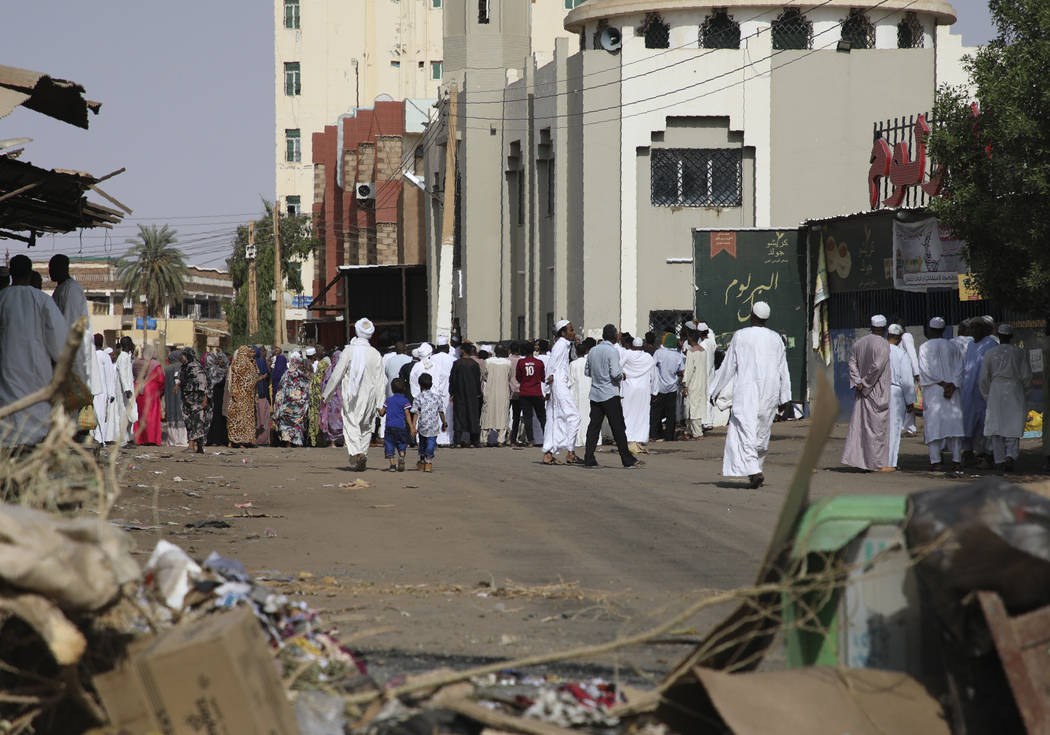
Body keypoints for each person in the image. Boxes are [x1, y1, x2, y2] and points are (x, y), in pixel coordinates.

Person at [707, 302, 791, 489]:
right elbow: (783, 369)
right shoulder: (776, 338)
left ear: (751, 315)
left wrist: (713, 390)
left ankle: (754, 470)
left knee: (745, 430)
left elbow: (728, 366)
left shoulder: (741, 336)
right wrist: (785, 396)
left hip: (748, 391)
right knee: (761, 432)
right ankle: (755, 471)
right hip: (770, 391)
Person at [0, 255, 68, 447]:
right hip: (36, 374)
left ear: (11, 272)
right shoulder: (42, 301)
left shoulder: (2, 299)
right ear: (30, 274)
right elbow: (60, 343)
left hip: (6, 375)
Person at [323, 317, 385, 472]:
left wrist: (327, 393)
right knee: (365, 427)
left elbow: (337, 373)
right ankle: (361, 455)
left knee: (352, 425)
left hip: (352, 396)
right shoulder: (375, 354)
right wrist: (380, 403)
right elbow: (381, 381)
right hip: (370, 397)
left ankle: (357, 453)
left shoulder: (349, 351)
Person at [583, 324, 640, 468]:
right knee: (618, 427)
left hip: (595, 394)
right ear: (614, 336)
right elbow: (615, 373)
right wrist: (623, 376)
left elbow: (587, 372)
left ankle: (589, 457)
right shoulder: (612, 351)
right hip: (609, 393)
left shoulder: (593, 351)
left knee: (594, 427)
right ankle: (627, 459)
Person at [841, 315, 892, 472]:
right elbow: (877, 366)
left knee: (862, 427)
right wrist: (865, 383)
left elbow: (851, 362)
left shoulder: (859, 342)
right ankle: (875, 464)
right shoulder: (883, 344)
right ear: (884, 329)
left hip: (863, 390)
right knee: (876, 429)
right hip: (876, 391)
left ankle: (863, 461)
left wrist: (858, 382)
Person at [980, 324, 1032, 472]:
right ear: (1011, 337)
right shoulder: (1019, 353)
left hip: (995, 391)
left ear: (999, 336)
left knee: (996, 427)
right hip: (1015, 390)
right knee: (1012, 426)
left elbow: (983, 378)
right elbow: (1027, 377)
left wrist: (987, 396)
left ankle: (999, 459)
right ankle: (1010, 456)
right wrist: (1024, 394)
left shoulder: (990, 353)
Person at [49, 254, 99, 403]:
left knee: (76, 405)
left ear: (64, 268)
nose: (50, 272)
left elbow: (70, 323)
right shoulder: (60, 289)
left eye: (53, 268)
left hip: (75, 353)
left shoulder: (71, 289)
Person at [918, 316, 965, 473]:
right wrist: (952, 385)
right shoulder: (953, 347)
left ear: (930, 330)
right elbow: (961, 367)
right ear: (944, 330)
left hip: (934, 390)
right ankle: (956, 460)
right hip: (952, 390)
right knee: (954, 426)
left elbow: (925, 370)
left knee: (934, 426)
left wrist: (943, 384)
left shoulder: (924, 347)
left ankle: (936, 461)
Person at [540, 320, 582, 465]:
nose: (573, 332)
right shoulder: (560, 345)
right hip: (558, 384)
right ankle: (570, 452)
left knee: (554, 419)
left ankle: (549, 453)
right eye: (570, 330)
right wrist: (547, 387)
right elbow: (551, 366)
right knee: (574, 416)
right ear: (563, 333)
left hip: (559, 383)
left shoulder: (564, 344)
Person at [961, 317, 997, 467]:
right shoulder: (970, 345)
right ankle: (968, 453)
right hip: (969, 389)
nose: (973, 331)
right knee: (968, 421)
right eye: (972, 328)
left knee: (986, 422)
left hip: (984, 390)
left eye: (976, 328)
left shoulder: (991, 344)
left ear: (984, 330)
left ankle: (989, 455)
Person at [886, 324, 916, 470]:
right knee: (894, 428)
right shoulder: (901, 354)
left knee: (879, 428)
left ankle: (876, 460)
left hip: (878, 391)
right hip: (895, 392)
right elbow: (907, 380)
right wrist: (911, 401)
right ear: (899, 339)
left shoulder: (879, 351)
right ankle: (890, 463)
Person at [620, 337, 656, 454]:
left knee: (628, 413)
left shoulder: (627, 354)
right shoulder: (648, 357)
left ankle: (628, 439)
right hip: (643, 389)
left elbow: (618, 367)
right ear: (642, 346)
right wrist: (654, 391)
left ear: (633, 345)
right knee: (642, 414)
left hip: (628, 388)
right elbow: (653, 375)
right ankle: (638, 440)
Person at [650, 332, 685, 442]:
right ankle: (669, 436)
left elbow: (652, 366)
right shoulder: (678, 356)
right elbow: (682, 371)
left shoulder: (659, 353)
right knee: (671, 414)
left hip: (659, 388)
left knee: (656, 412)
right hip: (672, 388)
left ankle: (654, 434)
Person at [409, 372, 446, 472]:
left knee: (422, 444)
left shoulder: (418, 397)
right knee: (430, 444)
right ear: (431, 384)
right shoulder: (437, 397)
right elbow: (441, 411)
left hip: (423, 426)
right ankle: (427, 461)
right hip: (434, 426)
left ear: (420, 385)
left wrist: (413, 426)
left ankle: (423, 461)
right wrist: (444, 422)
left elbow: (415, 413)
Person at [178, 347, 212, 454]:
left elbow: (203, 383)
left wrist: (205, 400)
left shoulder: (196, 367)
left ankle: (194, 446)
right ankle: (196, 446)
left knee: (198, 422)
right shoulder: (184, 367)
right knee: (190, 422)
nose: (181, 357)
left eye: (183, 355)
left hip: (197, 400)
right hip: (187, 399)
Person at [449, 343, 483, 447]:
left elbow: (452, 380)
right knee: (473, 416)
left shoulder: (457, 364)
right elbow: (478, 380)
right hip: (472, 394)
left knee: (459, 416)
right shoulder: (474, 364)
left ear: (463, 351)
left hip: (459, 394)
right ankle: (475, 440)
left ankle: (458, 441)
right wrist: (478, 393)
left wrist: (452, 393)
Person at [273, 354, 311, 446]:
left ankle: (288, 443)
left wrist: (278, 404)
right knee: (296, 424)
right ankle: (297, 443)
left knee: (286, 424)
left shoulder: (285, 375)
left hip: (286, 405)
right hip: (298, 405)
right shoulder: (301, 375)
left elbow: (280, 390)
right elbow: (307, 386)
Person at [226, 346, 260, 448]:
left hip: (247, 397)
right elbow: (237, 380)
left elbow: (254, 376)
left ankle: (244, 440)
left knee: (245, 419)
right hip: (240, 396)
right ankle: (238, 441)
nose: (250, 353)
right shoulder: (239, 364)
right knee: (239, 419)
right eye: (249, 351)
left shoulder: (250, 363)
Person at [515, 340, 546, 447]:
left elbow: (518, 377)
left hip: (524, 392)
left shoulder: (521, 362)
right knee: (542, 416)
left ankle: (531, 440)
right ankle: (546, 438)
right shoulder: (539, 363)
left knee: (527, 417)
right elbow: (543, 377)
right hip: (537, 392)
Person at [133, 345, 164, 445]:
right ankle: (151, 439)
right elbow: (161, 379)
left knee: (139, 415)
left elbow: (132, 375)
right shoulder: (155, 364)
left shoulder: (136, 362)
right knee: (151, 416)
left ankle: (139, 439)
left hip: (137, 389)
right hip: (151, 392)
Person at [481, 344, 512, 446]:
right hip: (503, 391)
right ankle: (501, 440)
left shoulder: (488, 361)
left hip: (490, 390)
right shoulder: (508, 363)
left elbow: (484, 375)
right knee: (502, 414)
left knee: (487, 413)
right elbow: (509, 376)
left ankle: (484, 439)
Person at [568, 339, 596, 449]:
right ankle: (590, 439)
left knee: (578, 416)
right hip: (589, 391)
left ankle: (578, 439)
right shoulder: (589, 362)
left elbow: (570, 381)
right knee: (589, 415)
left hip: (576, 393)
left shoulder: (573, 364)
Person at [682, 325, 709, 439]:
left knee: (693, 408)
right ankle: (688, 431)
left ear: (690, 339)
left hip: (693, 384)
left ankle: (698, 433)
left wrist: (685, 385)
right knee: (692, 407)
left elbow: (688, 371)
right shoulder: (703, 351)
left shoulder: (691, 352)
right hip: (701, 382)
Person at [380, 378, 412, 471]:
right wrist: (411, 426)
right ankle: (401, 456)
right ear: (404, 389)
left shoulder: (388, 400)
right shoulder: (405, 401)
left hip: (390, 426)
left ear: (392, 389)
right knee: (402, 443)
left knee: (389, 444)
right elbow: (407, 414)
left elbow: (382, 413)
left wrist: (378, 410)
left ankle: (392, 465)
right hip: (401, 427)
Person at [92, 335, 118, 445]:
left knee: (93, 415)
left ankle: (96, 439)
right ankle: (99, 439)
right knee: (101, 416)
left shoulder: (90, 355)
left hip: (92, 390)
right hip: (101, 391)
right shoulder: (104, 356)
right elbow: (109, 375)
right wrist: (111, 393)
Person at [431, 336, 456, 446]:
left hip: (434, 391)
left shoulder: (431, 359)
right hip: (448, 391)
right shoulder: (453, 359)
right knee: (448, 414)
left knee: (435, 415)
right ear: (447, 347)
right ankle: (447, 439)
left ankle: (436, 439)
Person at [114, 337, 139, 446]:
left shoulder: (126, 357)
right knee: (124, 414)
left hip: (129, 390)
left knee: (130, 415)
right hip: (125, 392)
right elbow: (123, 375)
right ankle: (124, 440)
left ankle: (129, 438)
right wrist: (126, 389)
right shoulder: (123, 358)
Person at [204, 350, 229, 446]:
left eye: (221, 359)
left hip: (223, 397)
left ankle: (221, 439)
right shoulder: (212, 370)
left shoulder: (227, 370)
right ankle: (213, 439)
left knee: (222, 417)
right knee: (213, 417)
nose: (220, 361)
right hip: (214, 396)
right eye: (217, 359)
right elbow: (210, 384)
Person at [163, 351, 188, 446]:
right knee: (182, 415)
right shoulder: (182, 367)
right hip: (180, 395)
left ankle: (173, 440)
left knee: (172, 414)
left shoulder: (167, 369)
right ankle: (182, 440)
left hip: (170, 396)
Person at [320, 349, 344, 446]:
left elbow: (323, 385)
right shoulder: (344, 370)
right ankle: (344, 442)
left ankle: (333, 442)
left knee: (332, 421)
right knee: (343, 420)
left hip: (331, 401)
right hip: (341, 400)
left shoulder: (329, 370)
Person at [308, 351, 331, 446]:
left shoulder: (318, 376)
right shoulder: (321, 378)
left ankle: (317, 440)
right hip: (318, 401)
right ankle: (316, 440)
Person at [253, 346, 271, 446]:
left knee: (257, 417)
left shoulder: (250, 362)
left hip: (253, 394)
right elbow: (267, 375)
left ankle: (256, 439)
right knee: (263, 418)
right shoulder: (261, 362)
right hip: (262, 393)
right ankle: (263, 440)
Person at [508, 342, 524, 445]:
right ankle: (513, 438)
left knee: (506, 415)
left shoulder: (507, 361)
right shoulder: (522, 361)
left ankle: (504, 437)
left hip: (509, 391)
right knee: (516, 417)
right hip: (519, 391)